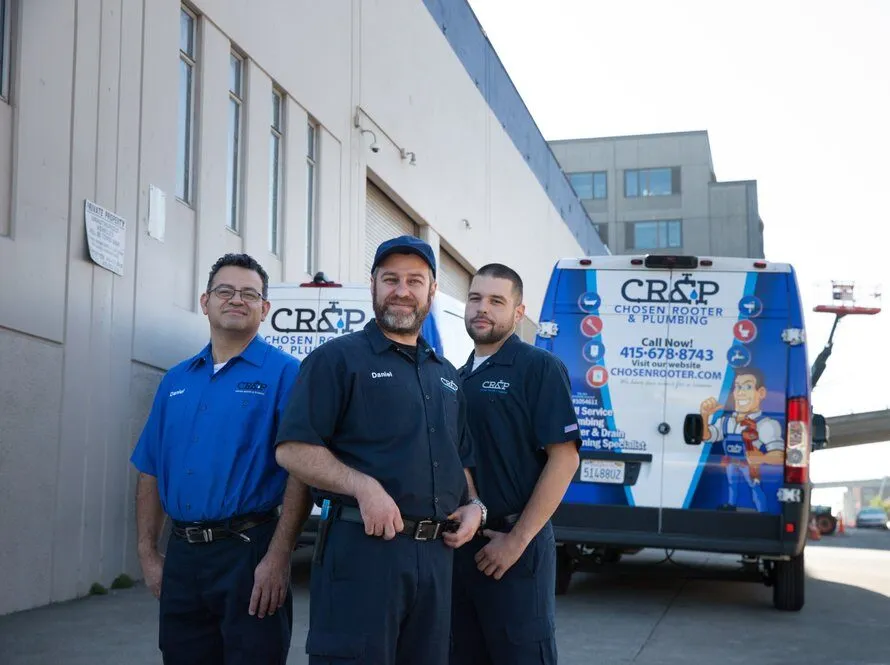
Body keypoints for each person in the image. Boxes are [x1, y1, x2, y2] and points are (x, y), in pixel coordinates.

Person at [275, 235, 483, 665]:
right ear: (373, 286)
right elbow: (293, 450)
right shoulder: (337, 360)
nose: (402, 291)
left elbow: (459, 458)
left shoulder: (446, 375)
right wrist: (363, 486)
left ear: (431, 291)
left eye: (414, 280)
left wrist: (475, 504)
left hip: (436, 556)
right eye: (391, 279)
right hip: (363, 555)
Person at [131, 253, 311, 665]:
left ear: (264, 309)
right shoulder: (175, 379)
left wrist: (279, 556)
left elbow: (299, 472)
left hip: (249, 555)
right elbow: (150, 468)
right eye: (225, 291)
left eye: (250, 293)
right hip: (183, 556)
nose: (236, 299)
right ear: (205, 301)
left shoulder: (287, 374)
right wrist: (147, 553)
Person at [451, 263, 580, 665]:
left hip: (514, 549)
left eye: (495, 301)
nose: (481, 309)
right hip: (458, 550)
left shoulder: (538, 368)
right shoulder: (455, 377)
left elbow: (565, 459)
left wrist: (517, 541)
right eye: (475, 298)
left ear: (518, 313)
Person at [700, 368, 784, 511]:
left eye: (748, 387)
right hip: (731, 461)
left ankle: (761, 512)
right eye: (738, 387)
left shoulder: (766, 424)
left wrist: (762, 457)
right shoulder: (725, 421)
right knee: (731, 484)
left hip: (748, 464)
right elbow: (706, 437)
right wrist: (704, 416)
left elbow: (781, 456)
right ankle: (730, 506)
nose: (741, 392)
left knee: (754, 486)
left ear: (761, 393)